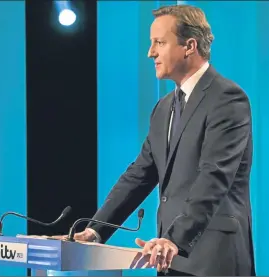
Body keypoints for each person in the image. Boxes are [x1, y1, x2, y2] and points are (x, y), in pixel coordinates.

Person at [59, 4, 256, 276]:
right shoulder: (164, 108)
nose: (150, 52)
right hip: (168, 258)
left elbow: (214, 176)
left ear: (189, 46)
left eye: (159, 43)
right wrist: (95, 229)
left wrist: (174, 238)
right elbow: (140, 174)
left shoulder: (227, 99)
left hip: (213, 258)